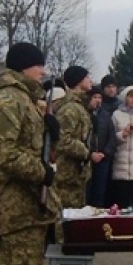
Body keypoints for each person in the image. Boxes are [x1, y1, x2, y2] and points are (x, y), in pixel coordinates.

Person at [0, 42, 61, 265]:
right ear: (25, 66)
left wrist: (52, 135)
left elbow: (29, 145)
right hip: (15, 209)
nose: (42, 71)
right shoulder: (9, 99)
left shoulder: (25, 99)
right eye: (38, 65)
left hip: (29, 207)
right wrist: (41, 171)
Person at [53, 66, 95, 209]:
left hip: (77, 174)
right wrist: (86, 152)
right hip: (67, 174)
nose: (91, 80)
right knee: (66, 216)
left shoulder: (80, 106)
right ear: (78, 81)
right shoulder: (70, 108)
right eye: (87, 77)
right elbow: (63, 140)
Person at [87, 89, 117, 208]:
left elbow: (112, 137)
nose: (97, 100)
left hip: (103, 159)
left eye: (100, 97)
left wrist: (104, 153)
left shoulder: (105, 116)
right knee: (87, 190)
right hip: (87, 158)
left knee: (99, 191)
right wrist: (90, 154)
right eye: (95, 97)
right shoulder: (85, 113)